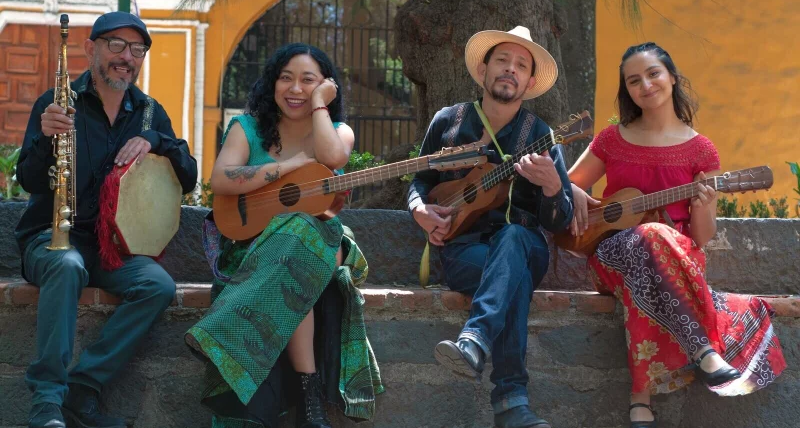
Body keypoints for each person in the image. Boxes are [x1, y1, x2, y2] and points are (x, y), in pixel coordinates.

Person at [566, 42, 786, 427]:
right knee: (647, 238)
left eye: (653, 74)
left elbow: (700, 238)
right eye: (634, 81)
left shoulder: (700, 149)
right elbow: (568, 189)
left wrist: (702, 203)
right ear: (627, 91)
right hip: (611, 254)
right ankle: (703, 350)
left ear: (671, 77)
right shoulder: (611, 139)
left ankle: (641, 401)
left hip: (677, 259)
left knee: (652, 245)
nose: (645, 85)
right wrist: (592, 206)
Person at [184, 43, 383, 428]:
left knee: (299, 230)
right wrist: (289, 166)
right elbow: (220, 179)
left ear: (325, 86)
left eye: (308, 81)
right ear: (272, 83)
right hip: (254, 247)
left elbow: (334, 157)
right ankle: (310, 398)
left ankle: (221, 336)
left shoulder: (339, 131)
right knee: (291, 265)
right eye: (286, 78)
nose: (295, 89)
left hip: (322, 239)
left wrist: (320, 105)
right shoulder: (247, 129)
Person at [16, 12, 198, 428]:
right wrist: (46, 137)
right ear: (91, 48)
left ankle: (83, 391)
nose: (127, 57)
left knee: (157, 285)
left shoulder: (150, 112)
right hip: (52, 237)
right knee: (65, 264)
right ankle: (46, 402)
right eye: (117, 44)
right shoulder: (56, 102)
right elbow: (27, 178)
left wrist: (156, 141)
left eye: (137, 49)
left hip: (114, 249)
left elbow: (187, 176)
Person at [407, 26, 573, 428]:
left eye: (520, 65)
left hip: (525, 243)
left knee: (514, 240)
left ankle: (476, 338)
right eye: (502, 61)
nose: (510, 70)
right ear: (483, 69)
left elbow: (562, 220)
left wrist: (552, 187)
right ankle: (511, 404)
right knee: (508, 279)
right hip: (464, 250)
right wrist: (419, 211)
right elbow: (419, 183)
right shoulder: (448, 122)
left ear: (530, 82)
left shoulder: (542, 136)